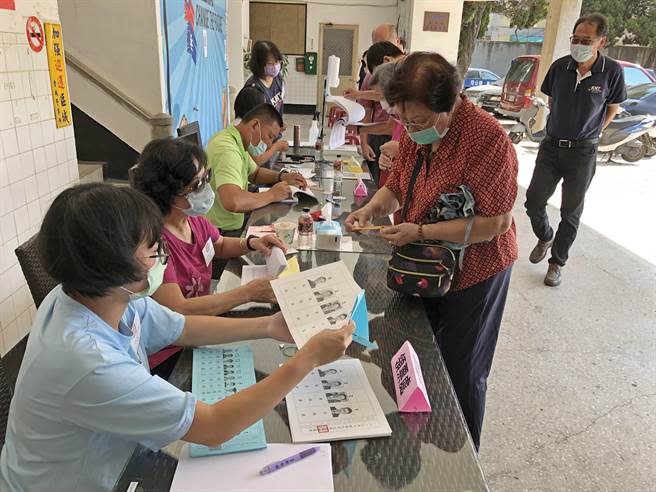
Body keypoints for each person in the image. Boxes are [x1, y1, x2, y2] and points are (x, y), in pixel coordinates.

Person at [0, 183, 355, 492]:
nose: (162, 261)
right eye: (154, 253)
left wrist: (268, 326)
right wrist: (305, 359)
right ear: (111, 265)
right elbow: (213, 426)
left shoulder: (95, 296)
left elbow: (182, 327)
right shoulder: (87, 360)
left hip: (116, 459)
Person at [345, 52, 518, 450]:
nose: (410, 129)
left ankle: (462, 453)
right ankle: (420, 437)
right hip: (424, 259)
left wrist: (421, 229)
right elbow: (398, 186)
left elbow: (497, 224)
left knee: (462, 368)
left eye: (418, 121)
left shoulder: (486, 139)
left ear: (449, 105)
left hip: (476, 267)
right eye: (404, 120)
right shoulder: (415, 129)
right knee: (415, 349)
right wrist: (371, 207)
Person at [131, 138, 287, 372]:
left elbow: (220, 245)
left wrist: (252, 243)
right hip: (171, 353)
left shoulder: (192, 220)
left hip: (199, 331)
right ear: (169, 194)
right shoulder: (154, 244)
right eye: (198, 184)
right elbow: (179, 310)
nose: (207, 188)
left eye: (207, 177)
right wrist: (248, 293)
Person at [524, 13, 625, 287]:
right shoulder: (559, 67)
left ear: (601, 41)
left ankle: (557, 262)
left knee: (571, 212)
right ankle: (545, 236)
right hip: (552, 147)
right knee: (533, 201)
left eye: (586, 40)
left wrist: (593, 132)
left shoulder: (612, 72)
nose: (579, 44)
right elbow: (552, 100)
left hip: (583, 153)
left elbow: (612, 108)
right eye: (575, 39)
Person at [205, 103, 307, 234]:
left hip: (234, 223)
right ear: (254, 125)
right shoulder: (226, 150)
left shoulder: (237, 141)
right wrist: (271, 195)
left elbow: (255, 173)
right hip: (221, 232)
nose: (270, 144)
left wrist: (282, 177)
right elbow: (233, 201)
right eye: (270, 136)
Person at [344, 24, 404, 184]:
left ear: (387, 60)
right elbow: (395, 125)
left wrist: (403, 148)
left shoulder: (413, 80)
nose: (386, 101)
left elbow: (429, 137)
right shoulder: (399, 77)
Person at [234, 86, 288, 166]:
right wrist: (276, 147)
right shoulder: (245, 129)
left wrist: (273, 130)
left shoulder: (242, 122)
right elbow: (256, 161)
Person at [245, 40, 285, 116]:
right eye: (270, 63)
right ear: (259, 64)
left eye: (277, 62)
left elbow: (280, 105)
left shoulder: (277, 78)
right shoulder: (253, 88)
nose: (275, 66)